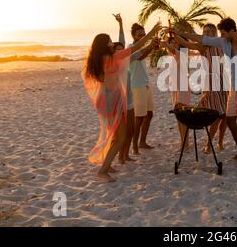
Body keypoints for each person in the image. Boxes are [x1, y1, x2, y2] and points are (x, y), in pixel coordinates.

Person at [176, 18, 237, 167]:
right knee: (230, 120)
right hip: (233, 87)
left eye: (223, 33)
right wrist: (178, 33)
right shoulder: (224, 42)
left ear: (231, 31)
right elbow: (202, 39)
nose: (221, 36)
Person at [82, 22, 161, 182]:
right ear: (104, 45)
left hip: (106, 101)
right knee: (121, 137)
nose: (112, 43)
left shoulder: (97, 60)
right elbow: (137, 46)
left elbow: (136, 53)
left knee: (115, 135)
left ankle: (107, 164)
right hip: (111, 102)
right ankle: (103, 171)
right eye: (110, 41)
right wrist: (153, 31)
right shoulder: (112, 58)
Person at [173, 24, 227, 153]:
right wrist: (176, 34)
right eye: (205, 32)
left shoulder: (222, 44)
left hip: (224, 81)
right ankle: (209, 144)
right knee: (216, 113)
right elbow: (185, 44)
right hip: (211, 82)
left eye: (210, 31)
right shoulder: (203, 47)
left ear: (215, 33)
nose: (207, 33)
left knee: (224, 115)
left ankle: (219, 142)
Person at [128, 21, 161, 154]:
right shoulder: (131, 47)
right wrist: (151, 46)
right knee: (139, 116)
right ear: (134, 36)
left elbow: (144, 56)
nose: (142, 36)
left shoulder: (142, 47)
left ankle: (142, 142)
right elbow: (140, 55)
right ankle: (135, 145)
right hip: (137, 85)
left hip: (145, 84)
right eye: (139, 34)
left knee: (149, 114)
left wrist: (152, 47)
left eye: (144, 34)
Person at [160, 36, 191, 150]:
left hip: (182, 89)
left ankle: (186, 144)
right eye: (171, 42)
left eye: (175, 43)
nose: (173, 44)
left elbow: (173, 50)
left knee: (184, 117)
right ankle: (183, 141)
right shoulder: (172, 56)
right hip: (175, 89)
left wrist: (167, 44)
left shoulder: (182, 54)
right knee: (178, 116)